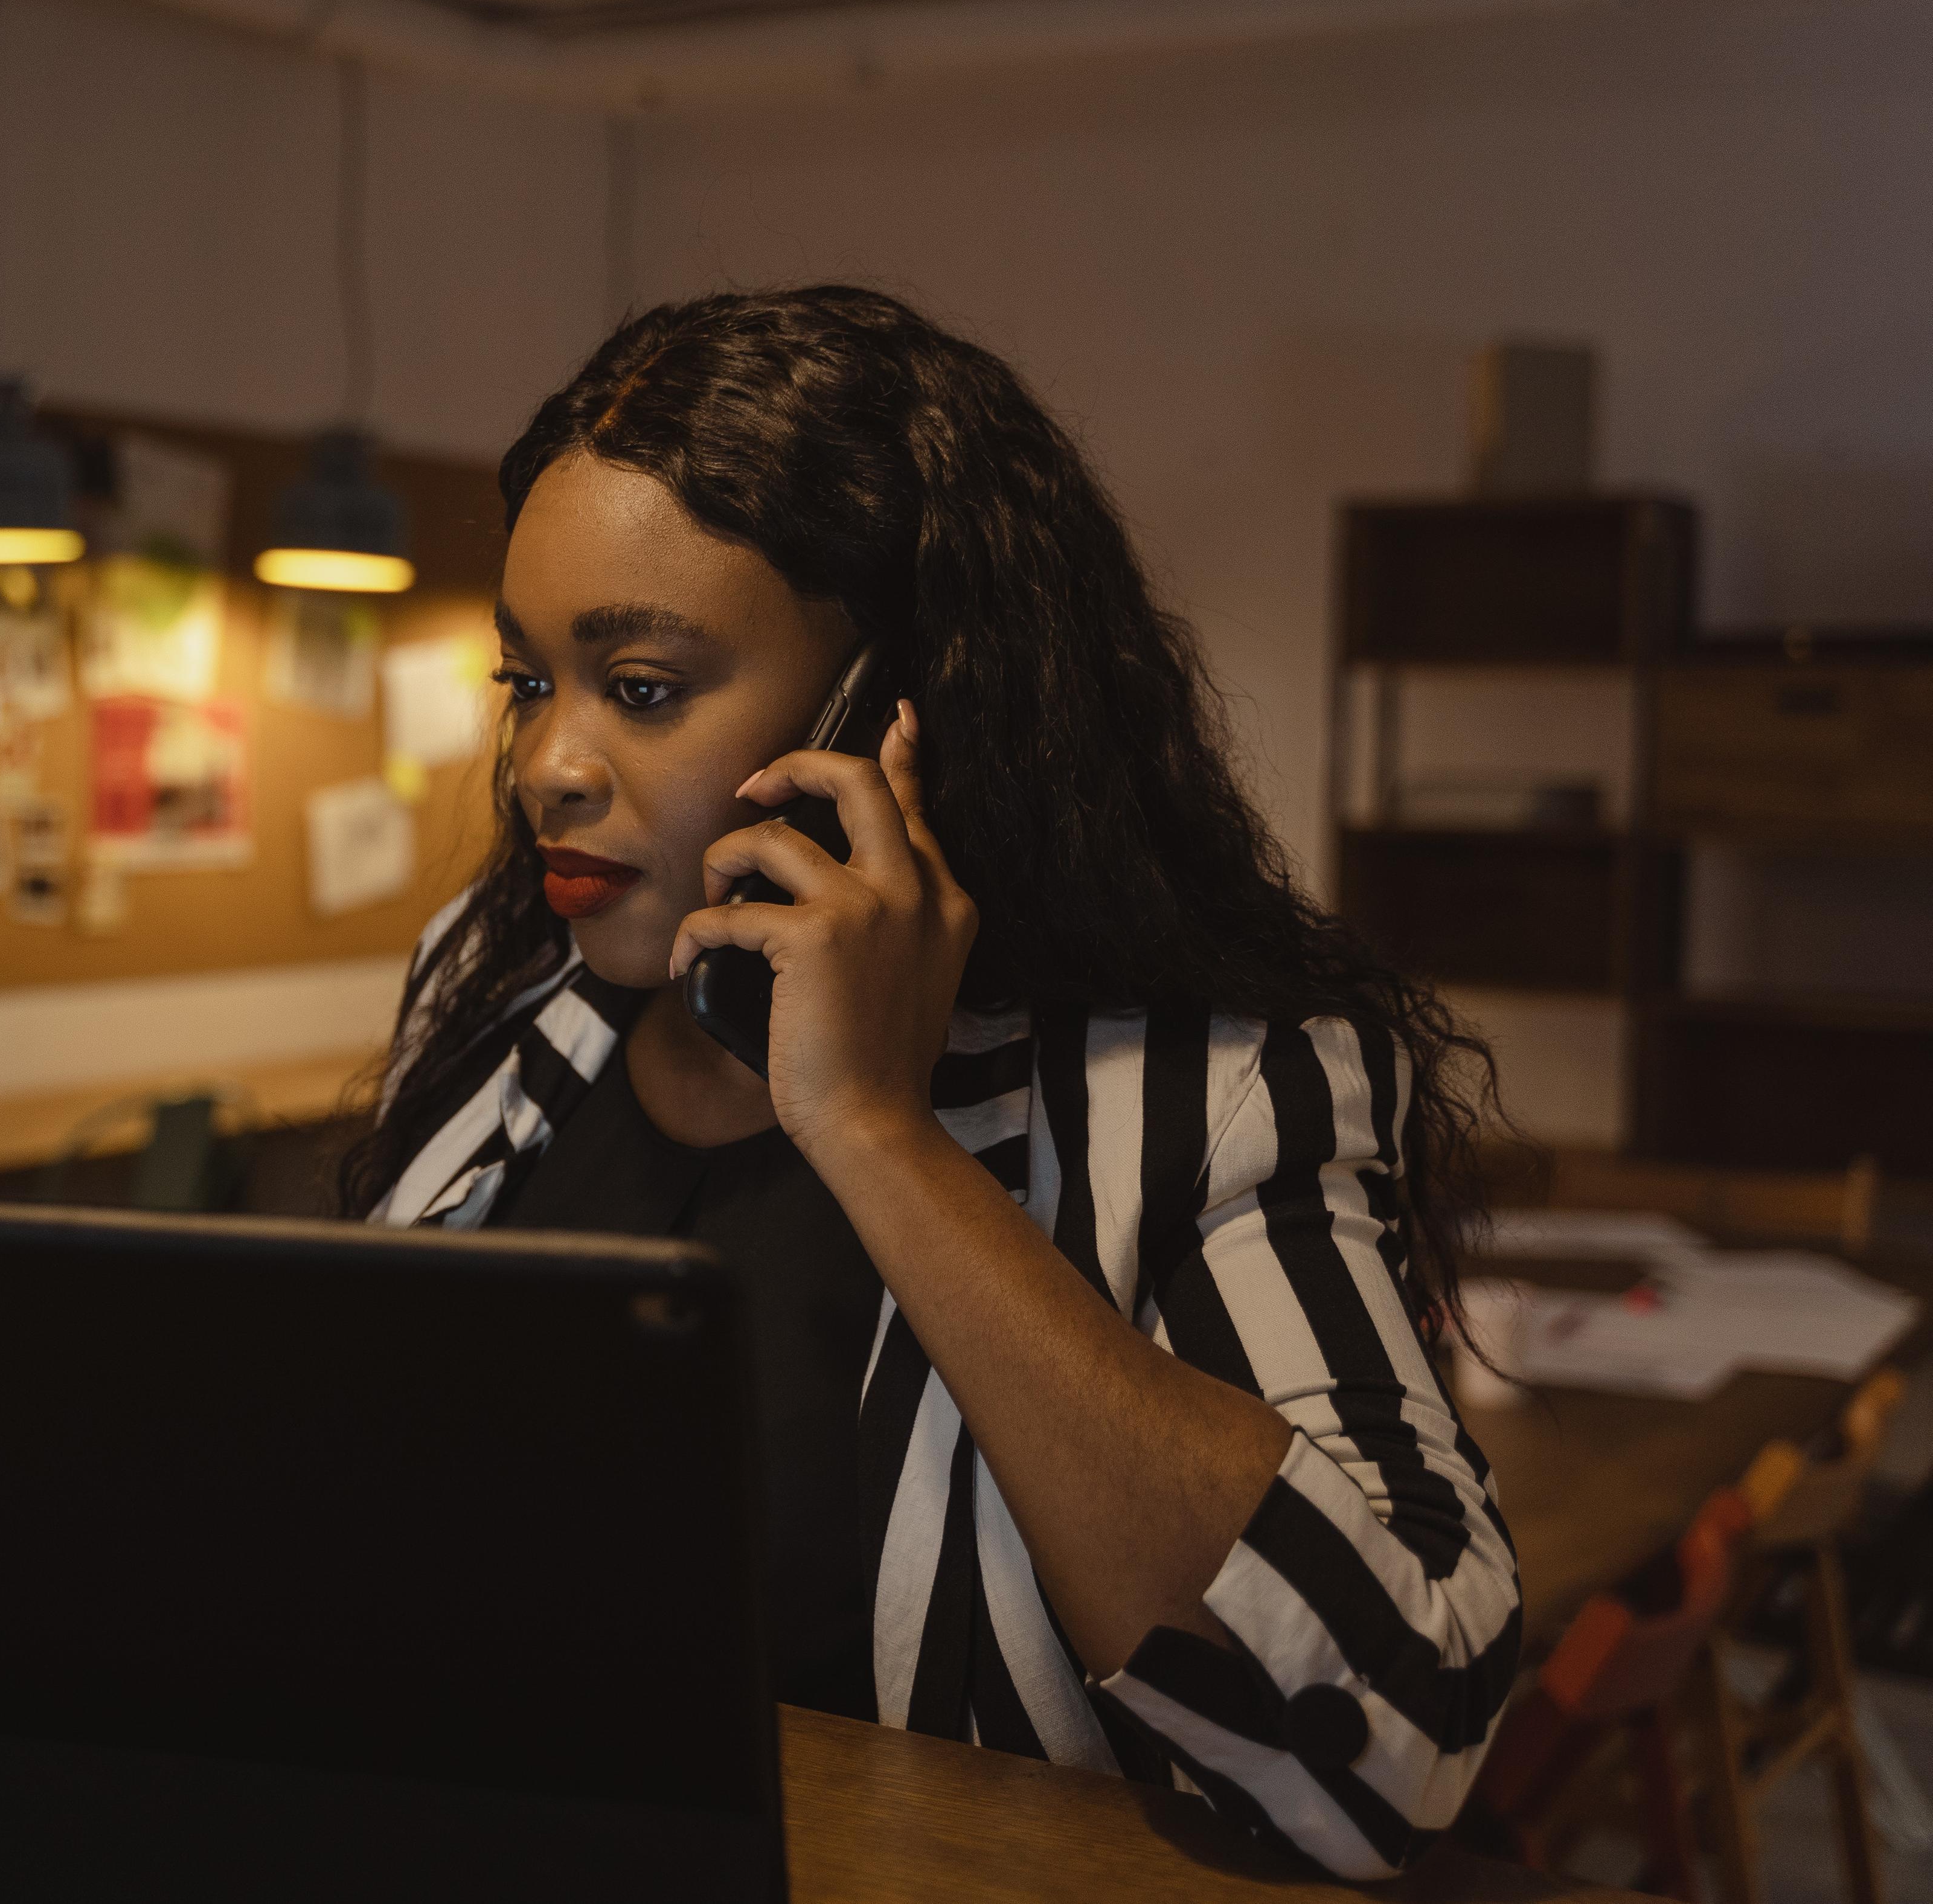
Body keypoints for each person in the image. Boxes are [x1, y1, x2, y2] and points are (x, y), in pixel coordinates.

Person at [336, 286, 1519, 1879]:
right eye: (530, 681)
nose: (548, 762)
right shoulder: (492, 1000)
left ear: (892, 713)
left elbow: (1393, 1741)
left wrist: (882, 1136)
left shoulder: (1208, 1086)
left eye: (645, 685)